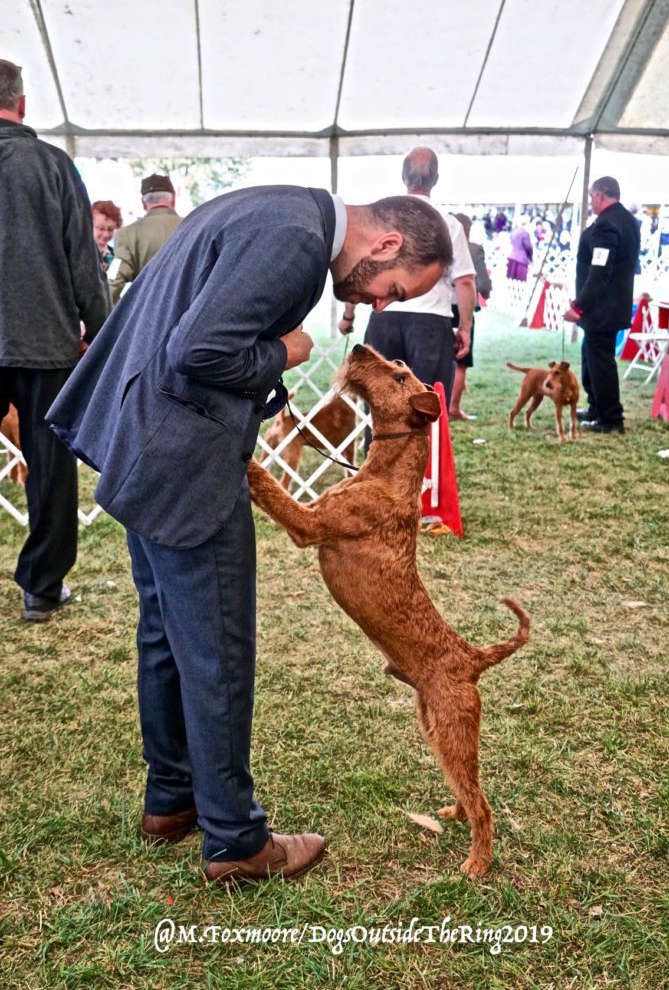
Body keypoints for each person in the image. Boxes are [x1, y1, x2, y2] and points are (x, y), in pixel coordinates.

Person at [47, 187, 453, 886]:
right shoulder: (296, 240)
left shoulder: (273, 207)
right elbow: (200, 351)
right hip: (185, 461)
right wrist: (285, 351)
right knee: (218, 651)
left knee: (167, 633)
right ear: (385, 245)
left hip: (144, 445)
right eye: (393, 290)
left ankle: (171, 801)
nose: (380, 305)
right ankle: (236, 838)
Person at [0, 59, 110, 621]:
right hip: (44, 338)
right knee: (49, 464)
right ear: (22, 104)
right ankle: (42, 588)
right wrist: (103, 328)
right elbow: (83, 262)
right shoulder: (52, 165)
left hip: (32, 334)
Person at [339, 148, 476, 403]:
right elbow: (465, 281)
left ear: (403, 176)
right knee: (425, 404)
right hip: (431, 324)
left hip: (384, 319)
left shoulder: (378, 220)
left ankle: (377, 443)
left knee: (380, 404)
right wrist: (465, 328)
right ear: (436, 179)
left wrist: (349, 316)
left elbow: (357, 272)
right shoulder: (449, 224)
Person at [563, 176, 640, 434]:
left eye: (590, 197)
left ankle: (610, 417)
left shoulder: (606, 226)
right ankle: (597, 406)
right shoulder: (628, 220)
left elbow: (599, 271)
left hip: (602, 307)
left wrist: (579, 306)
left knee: (601, 361)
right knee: (592, 357)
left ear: (600, 195)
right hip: (612, 304)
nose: (590, 202)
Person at [107, 174, 181, 303]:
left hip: (148, 313)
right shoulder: (195, 226)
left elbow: (113, 280)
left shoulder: (127, 234)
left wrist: (96, 318)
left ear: (143, 203)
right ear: (173, 199)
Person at [448, 213, 492, 421]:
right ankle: (453, 408)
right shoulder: (473, 249)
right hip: (462, 309)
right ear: (467, 229)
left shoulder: (438, 246)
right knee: (461, 361)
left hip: (438, 309)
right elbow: (482, 284)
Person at [92, 200, 122, 270]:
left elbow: (113, 278)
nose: (106, 234)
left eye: (110, 229)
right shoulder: (80, 252)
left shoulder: (115, 256)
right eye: (101, 228)